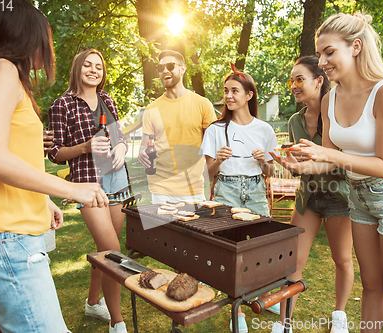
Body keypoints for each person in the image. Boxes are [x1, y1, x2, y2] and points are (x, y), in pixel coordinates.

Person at [271, 12, 383, 333]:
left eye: (329, 52)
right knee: (371, 287)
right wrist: (301, 164)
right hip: (357, 197)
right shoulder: (330, 99)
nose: (323, 60)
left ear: (355, 47)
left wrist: (325, 154)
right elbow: (330, 160)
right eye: (320, 53)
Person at [0, 1, 108, 332]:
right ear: (29, 33)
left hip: (5, 236)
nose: (49, 46)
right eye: (46, 35)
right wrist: (71, 189)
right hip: (3, 239)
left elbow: (9, 153)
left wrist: (42, 200)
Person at [270, 56, 354, 333]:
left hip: (338, 197)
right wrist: (294, 167)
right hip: (308, 197)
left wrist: (304, 164)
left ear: (319, 80)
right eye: (291, 80)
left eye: (299, 79)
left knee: (342, 259)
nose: (293, 85)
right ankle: (285, 325)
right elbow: (301, 167)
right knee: (291, 261)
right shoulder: (295, 120)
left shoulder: (339, 114)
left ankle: (339, 316)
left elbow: (345, 161)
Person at [48, 48, 129, 333]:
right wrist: (85, 147)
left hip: (117, 181)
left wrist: (121, 146)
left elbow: (119, 136)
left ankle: (93, 302)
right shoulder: (63, 104)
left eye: (98, 66)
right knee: (114, 252)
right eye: (88, 65)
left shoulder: (108, 98)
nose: (94, 70)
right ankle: (117, 323)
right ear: (78, 69)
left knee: (104, 250)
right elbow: (55, 153)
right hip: (88, 184)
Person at [200, 64, 277, 333]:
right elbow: (207, 174)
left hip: (255, 190)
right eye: (226, 91)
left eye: (234, 91)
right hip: (227, 190)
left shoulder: (264, 130)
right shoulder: (215, 129)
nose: (228, 96)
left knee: (262, 244)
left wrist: (263, 162)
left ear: (249, 95)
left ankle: (259, 294)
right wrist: (217, 161)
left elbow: (270, 171)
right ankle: (237, 311)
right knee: (229, 249)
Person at [137, 50, 217, 204]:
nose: (165, 71)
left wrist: (213, 182)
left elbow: (212, 149)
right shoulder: (151, 109)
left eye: (170, 66)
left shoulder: (203, 104)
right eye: (160, 68)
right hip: (161, 189)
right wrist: (142, 154)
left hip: (194, 189)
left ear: (183, 68)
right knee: (165, 229)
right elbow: (144, 146)